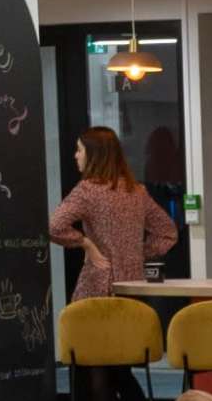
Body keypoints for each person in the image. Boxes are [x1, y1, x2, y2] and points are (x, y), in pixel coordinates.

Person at [48, 125, 176, 301]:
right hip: (134, 284)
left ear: (94, 155)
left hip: (99, 284)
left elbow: (53, 227)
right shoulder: (137, 191)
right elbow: (167, 232)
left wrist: (86, 244)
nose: (76, 155)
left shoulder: (87, 190)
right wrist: (139, 254)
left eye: (79, 150)